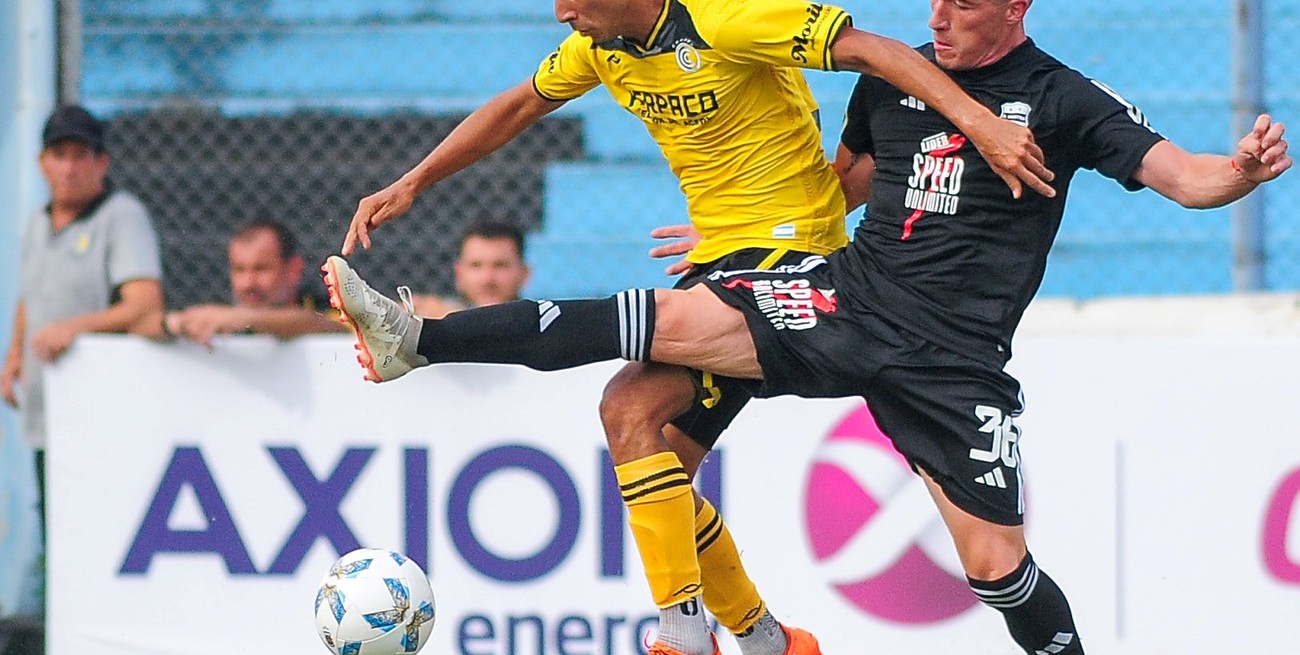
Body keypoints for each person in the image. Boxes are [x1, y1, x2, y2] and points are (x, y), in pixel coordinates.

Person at [324, 0, 1292, 652]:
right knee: (642, 356)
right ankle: (428, 341)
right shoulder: (895, 84)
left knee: (996, 568)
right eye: (935, 2)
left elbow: (1187, 176)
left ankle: (755, 635)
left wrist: (1239, 170)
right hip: (843, 297)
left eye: (961, 2)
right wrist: (735, 234)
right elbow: (845, 179)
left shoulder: (1063, 100)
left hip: (951, 357)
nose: (939, 15)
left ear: (1018, 5)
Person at [1, 104, 166, 544]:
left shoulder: (121, 216)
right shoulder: (38, 222)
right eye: (59, 155)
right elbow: (32, 294)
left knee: (94, 532)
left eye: (80, 155)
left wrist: (73, 328)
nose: (68, 168)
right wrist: (15, 352)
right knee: (52, 527)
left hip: (99, 411)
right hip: (45, 410)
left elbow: (145, 303)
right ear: (42, 163)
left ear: (101, 163)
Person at [161, 219, 344, 347]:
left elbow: (336, 330)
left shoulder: (328, 305)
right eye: (239, 269)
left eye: (261, 269)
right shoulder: (221, 316)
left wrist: (245, 318)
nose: (248, 283)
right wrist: (176, 324)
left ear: (293, 269)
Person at [410, 219, 531, 318]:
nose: (487, 279)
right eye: (476, 265)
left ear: (524, 274)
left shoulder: (540, 326)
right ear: (459, 273)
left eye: (500, 265)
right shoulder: (433, 313)